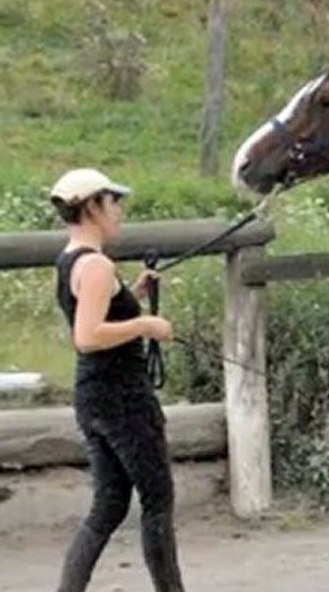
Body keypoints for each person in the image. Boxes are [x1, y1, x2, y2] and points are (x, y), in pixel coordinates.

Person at [49, 168, 186, 592]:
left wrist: (134, 296)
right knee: (158, 499)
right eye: (113, 202)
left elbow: (97, 313)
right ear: (92, 207)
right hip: (123, 397)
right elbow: (88, 336)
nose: (119, 212)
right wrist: (146, 324)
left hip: (95, 396)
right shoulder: (96, 265)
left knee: (109, 504)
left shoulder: (70, 259)